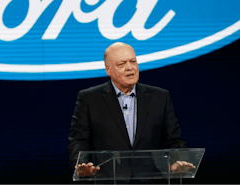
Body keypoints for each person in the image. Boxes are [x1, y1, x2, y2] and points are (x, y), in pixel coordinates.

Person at [67, 42, 194, 184]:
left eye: (133, 61)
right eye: (122, 64)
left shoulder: (160, 97)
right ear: (108, 70)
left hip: (150, 181)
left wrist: (177, 161)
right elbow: (78, 140)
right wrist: (81, 165)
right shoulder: (89, 98)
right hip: (109, 180)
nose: (130, 68)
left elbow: (174, 139)